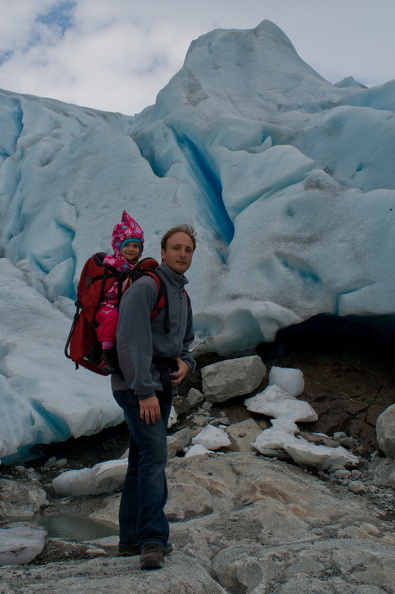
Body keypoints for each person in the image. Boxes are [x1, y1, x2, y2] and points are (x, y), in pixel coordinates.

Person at [112, 224, 196, 570]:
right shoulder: (148, 286)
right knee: (155, 458)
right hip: (137, 388)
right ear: (162, 252)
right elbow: (131, 341)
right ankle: (152, 539)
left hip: (161, 386)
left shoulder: (181, 293)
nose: (182, 254)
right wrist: (143, 391)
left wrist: (186, 363)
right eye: (175, 248)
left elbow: (186, 342)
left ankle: (130, 538)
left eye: (188, 249)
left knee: (142, 460)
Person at [95, 211, 144, 373]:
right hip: (106, 307)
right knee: (112, 318)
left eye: (135, 246)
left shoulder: (138, 268)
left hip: (124, 307)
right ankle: (106, 354)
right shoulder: (111, 265)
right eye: (127, 245)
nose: (131, 249)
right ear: (118, 246)